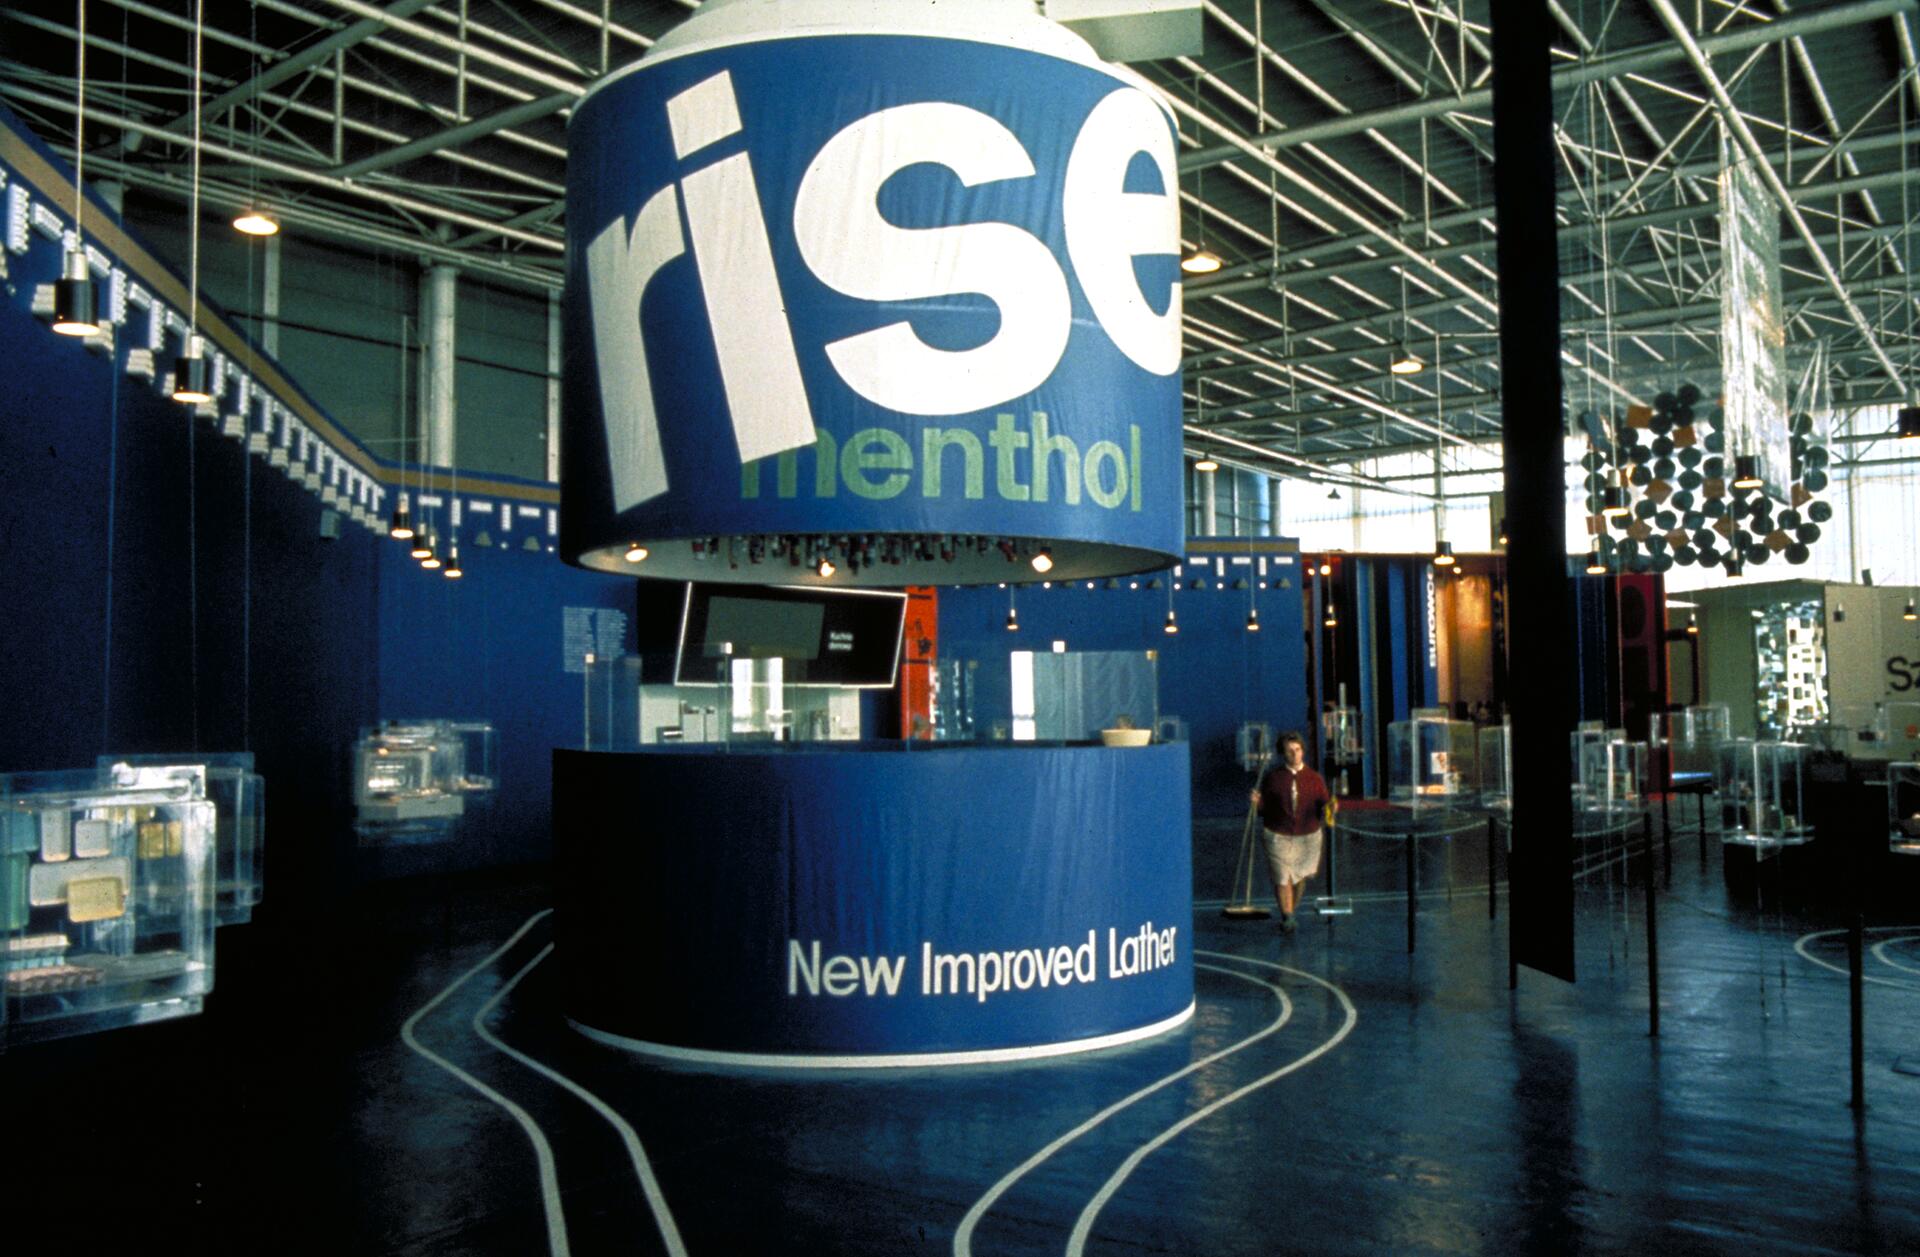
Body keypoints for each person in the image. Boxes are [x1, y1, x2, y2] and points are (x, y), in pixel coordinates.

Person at [1250, 731, 1336, 934]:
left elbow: (1324, 804)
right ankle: (1287, 916)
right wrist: (1257, 803)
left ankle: (1291, 911)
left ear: (1302, 751)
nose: (1294, 754)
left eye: (1297, 750)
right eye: (1289, 751)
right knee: (1282, 877)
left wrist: (1331, 807)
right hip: (1277, 834)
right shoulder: (1273, 778)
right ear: (1283, 754)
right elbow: (1264, 809)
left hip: (1308, 837)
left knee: (1299, 878)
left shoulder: (1315, 778)